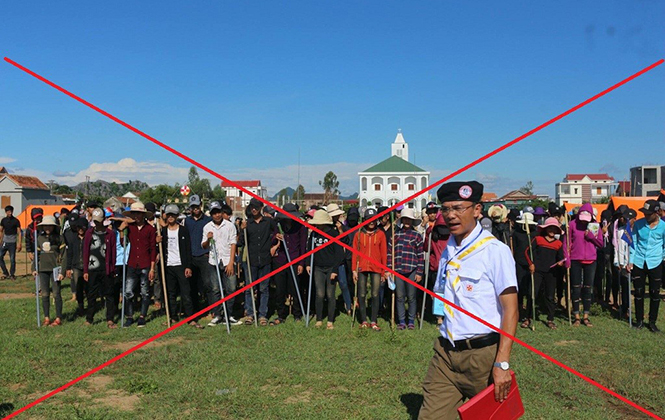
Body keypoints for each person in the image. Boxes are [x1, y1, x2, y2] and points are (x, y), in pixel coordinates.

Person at [420, 181, 518, 419]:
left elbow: (511, 310)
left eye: (458, 208)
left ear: (476, 210)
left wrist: (502, 363)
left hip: (482, 356)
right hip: (446, 352)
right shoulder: (449, 249)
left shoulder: (495, 251)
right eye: (446, 209)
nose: (451, 215)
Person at [158, 204, 202, 328]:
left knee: (186, 292)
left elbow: (188, 249)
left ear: (177, 216)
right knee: (171, 293)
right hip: (168, 266)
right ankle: (172, 317)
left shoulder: (183, 230)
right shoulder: (163, 231)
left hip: (181, 265)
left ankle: (190, 317)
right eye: (169, 215)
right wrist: (158, 242)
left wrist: (188, 266)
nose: (171, 217)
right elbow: (160, 249)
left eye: (173, 215)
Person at [563, 202, 603, 327]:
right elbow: (566, 243)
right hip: (575, 260)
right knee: (575, 288)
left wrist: (592, 237)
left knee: (587, 288)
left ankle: (586, 316)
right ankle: (576, 316)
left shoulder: (595, 226)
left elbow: (601, 244)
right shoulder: (572, 225)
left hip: (591, 260)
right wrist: (567, 259)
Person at [628, 200, 665, 332]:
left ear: (657, 213)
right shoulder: (638, 224)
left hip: (655, 262)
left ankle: (652, 322)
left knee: (655, 293)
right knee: (639, 292)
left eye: (649, 214)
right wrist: (630, 261)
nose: (646, 216)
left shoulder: (663, 227)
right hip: (639, 262)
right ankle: (639, 321)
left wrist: (662, 257)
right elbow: (634, 243)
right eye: (645, 213)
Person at [119, 202, 157, 328]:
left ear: (143, 215)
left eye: (139, 214)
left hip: (145, 264)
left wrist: (152, 268)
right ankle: (129, 317)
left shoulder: (150, 229)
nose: (136, 216)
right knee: (128, 291)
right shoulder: (129, 227)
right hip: (132, 263)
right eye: (134, 213)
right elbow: (123, 242)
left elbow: (153, 249)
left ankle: (142, 317)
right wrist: (121, 230)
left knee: (144, 292)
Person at [202, 202, 240, 326]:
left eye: (219, 212)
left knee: (231, 288)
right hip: (214, 261)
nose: (217, 215)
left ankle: (228, 315)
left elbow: (233, 244)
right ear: (211, 214)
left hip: (227, 260)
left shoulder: (230, 226)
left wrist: (231, 262)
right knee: (215, 289)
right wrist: (208, 239)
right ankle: (217, 314)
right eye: (214, 213)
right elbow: (204, 246)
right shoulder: (207, 227)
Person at [238, 198, 275, 326]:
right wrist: (242, 230)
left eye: (256, 207)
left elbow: (276, 233)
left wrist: (275, 245)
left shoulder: (269, 222)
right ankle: (250, 314)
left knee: (264, 289)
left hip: (265, 259)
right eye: (252, 207)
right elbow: (241, 242)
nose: (254, 209)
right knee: (249, 288)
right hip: (251, 261)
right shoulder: (247, 223)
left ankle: (262, 315)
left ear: (261, 207)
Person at [306, 210, 345, 329]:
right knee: (319, 294)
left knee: (330, 294)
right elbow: (309, 249)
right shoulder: (313, 234)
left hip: (330, 268)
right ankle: (319, 319)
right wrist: (308, 263)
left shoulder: (333, 234)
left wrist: (334, 270)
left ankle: (330, 320)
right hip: (318, 267)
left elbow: (339, 254)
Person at [523, 217, 564, 329]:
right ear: (545, 229)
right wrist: (531, 264)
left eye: (554, 228)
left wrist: (561, 263)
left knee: (550, 296)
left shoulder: (558, 244)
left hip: (551, 272)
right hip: (537, 271)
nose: (552, 230)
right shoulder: (537, 239)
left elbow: (561, 258)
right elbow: (527, 252)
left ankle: (550, 319)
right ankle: (528, 318)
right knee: (532, 294)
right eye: (550, 228)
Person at [271, 203, 307, 325]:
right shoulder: (278, 225)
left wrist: (301, 263)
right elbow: (272, 242)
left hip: (295, 261)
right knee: (280, 289)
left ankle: (297, 314)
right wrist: (276, 238)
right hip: (281, 261)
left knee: (296, 289)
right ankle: (281, 315)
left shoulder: (301, 227)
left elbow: (303, 247)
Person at [388, 207, 424, 330]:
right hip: (398, 270)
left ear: (412, 221)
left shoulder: (417, 236)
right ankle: (402, 321)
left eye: (409, 219)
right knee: (399, 296)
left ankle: (411, 321)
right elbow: (390, 254)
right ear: (402, 220)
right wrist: (389, 270)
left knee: (412, 297)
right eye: (405, 219)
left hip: (412, 270)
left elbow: (420, 256)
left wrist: (419, 272)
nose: (407, 222)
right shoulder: (395, 235)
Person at [352, 207, 387, 330]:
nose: (371, 222)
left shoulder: (381, 234)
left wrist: (384, 271)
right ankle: (363, 320)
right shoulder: (359, 234)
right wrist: (354, 270)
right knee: (361, 294)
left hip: (376, 268)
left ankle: (373, 320)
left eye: (373, 220)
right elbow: (355, 253)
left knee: (375, 294)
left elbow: (384, 253)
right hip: (362, 267)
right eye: (368, 220)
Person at [82, 208, 117, 328]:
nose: (96, 223)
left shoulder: (110, 234)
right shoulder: (89, 233)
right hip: (92, 269)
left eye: (98, 221)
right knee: (91, 295)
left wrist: (112, 269)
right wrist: (85, 270)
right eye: (95, 221)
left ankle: (110, 319)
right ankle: (89, 318)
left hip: (106, 269)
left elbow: (113, 252)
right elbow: (85, 252)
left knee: (109, 294)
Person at [33, 215, 66, 327]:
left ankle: (58, 318)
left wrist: (63, 271)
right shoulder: (39, 238)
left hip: (55, 269)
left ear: (53, 226)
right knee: (45, 294)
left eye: (50, 226)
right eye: (46, 225)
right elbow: (36, 256)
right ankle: (46, 318)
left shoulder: (59, 238)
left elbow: (64, 256)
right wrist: (34, 268)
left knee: (56, 294)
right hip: (43, 270)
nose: (48, 228)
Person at [183, 194, 213, 317]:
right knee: (192, 285)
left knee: (207, 284)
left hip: (204, 256)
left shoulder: (208, 220)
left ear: (201, 205)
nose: (195, 209)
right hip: (191, 256)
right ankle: (196, 309)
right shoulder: (187, 221)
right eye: (193, 207)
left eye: (197, 206)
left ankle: (212, 309)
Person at [327, 203, 353, 316]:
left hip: (340, 260)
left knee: (343, 283)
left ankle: (348, 306)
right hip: (328, 260)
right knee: (329, 286)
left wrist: (341, 231)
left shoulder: (343, 227)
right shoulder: (326, 228)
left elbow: (345, 242)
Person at [512, 212, 537, 322]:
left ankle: (529, 312)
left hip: (531, 264)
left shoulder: (535, 234)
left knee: (529, 287)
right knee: (520, 286)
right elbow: (515, 247)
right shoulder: (517, 233)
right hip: (519, 263)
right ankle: (519, 308)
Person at [65, 217, 88, 316]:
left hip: (88, 266)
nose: (80, 229)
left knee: (89, 287)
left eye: (82, 227)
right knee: (78, 286)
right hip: (76, 266)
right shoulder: (73, 239)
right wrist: (68, 267)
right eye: (78, 227)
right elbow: (69, 253)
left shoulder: (89, 238)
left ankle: (91, 305)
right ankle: (81, 306)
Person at [614, 208, 634, 319]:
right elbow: (617, 248)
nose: (624, 220)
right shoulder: (620, 231)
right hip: (622, 263)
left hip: (634, 263)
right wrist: (618, 262)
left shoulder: (635, 231)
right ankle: (625, 308)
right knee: (625, 288)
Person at [0, 205, 22, 280]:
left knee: (12, 259)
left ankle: (12, 274)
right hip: (5, 242)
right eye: (8, 211)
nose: (10, 213)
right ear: (6, 212)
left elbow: (19, 232)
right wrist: (1, 241)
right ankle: (5, 272)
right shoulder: (3, 220)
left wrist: (19, 243)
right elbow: (1, 230)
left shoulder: (16, 221)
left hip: (12, 242)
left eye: (11, 211)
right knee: (0, 256)